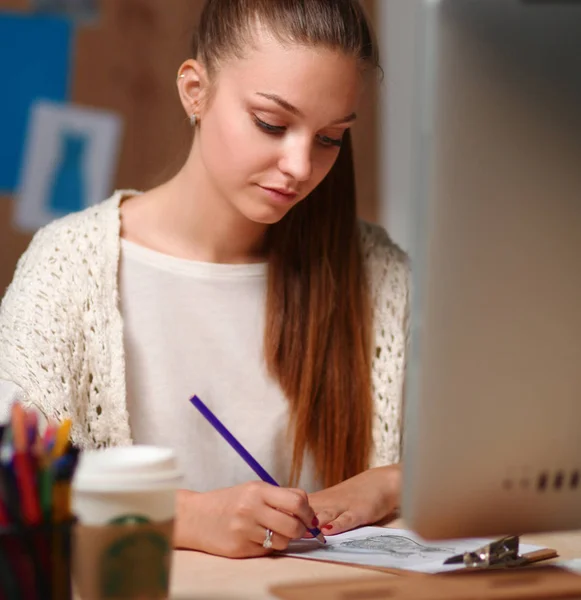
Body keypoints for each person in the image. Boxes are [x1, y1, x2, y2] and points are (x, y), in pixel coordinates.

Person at [0, 0, 408, 558]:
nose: (300, 166)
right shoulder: (67, 268)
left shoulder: (379, 274)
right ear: (195, 90)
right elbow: (14, 484)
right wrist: (184, 515)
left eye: (330, 137)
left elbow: (490, 460)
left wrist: (389, 481)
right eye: (272, 124)